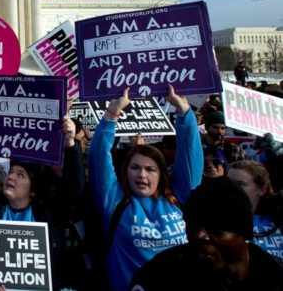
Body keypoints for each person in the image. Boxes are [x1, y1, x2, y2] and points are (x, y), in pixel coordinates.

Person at [0, 115, 86, 290]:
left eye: (21, 175)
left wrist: (70, 143)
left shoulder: (49, 214)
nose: (11, 177)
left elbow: (75, 188)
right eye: (11, 172)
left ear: (33, 189)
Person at [88, 85, 203, 291]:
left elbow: (189, 157)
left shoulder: (179, 198)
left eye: (150, 169)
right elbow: (98, 157)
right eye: (135, 168)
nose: (141, 174)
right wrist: (113, 112)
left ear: (162, 174)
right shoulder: (115, 202)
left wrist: (184, 111)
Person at [129, 176, 283, 290]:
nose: (199, 235)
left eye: (215, 226)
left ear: (244, 233)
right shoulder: (159, 274)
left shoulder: (275, 275)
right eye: (193, 225)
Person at [227, 160, 283, 260]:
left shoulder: (277, 221)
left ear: (262, 189)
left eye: (241, 184)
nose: (232, 188)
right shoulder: (211, 221)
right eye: (228, 183)